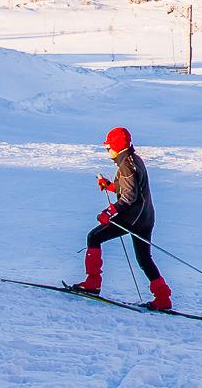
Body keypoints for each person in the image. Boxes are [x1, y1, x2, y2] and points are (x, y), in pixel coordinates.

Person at [72, 127, 172, 311]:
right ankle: (163, 298)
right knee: (144, 258)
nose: (107, 150)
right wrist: (109, 186)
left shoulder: (126, 164)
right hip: (146, 218)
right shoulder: (134, 160)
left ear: (117, 146)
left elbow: (129, 197)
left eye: (108, 147)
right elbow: (128, 188)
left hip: (132, 219)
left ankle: (93, 283)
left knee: (94, 237)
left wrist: (109, 212)